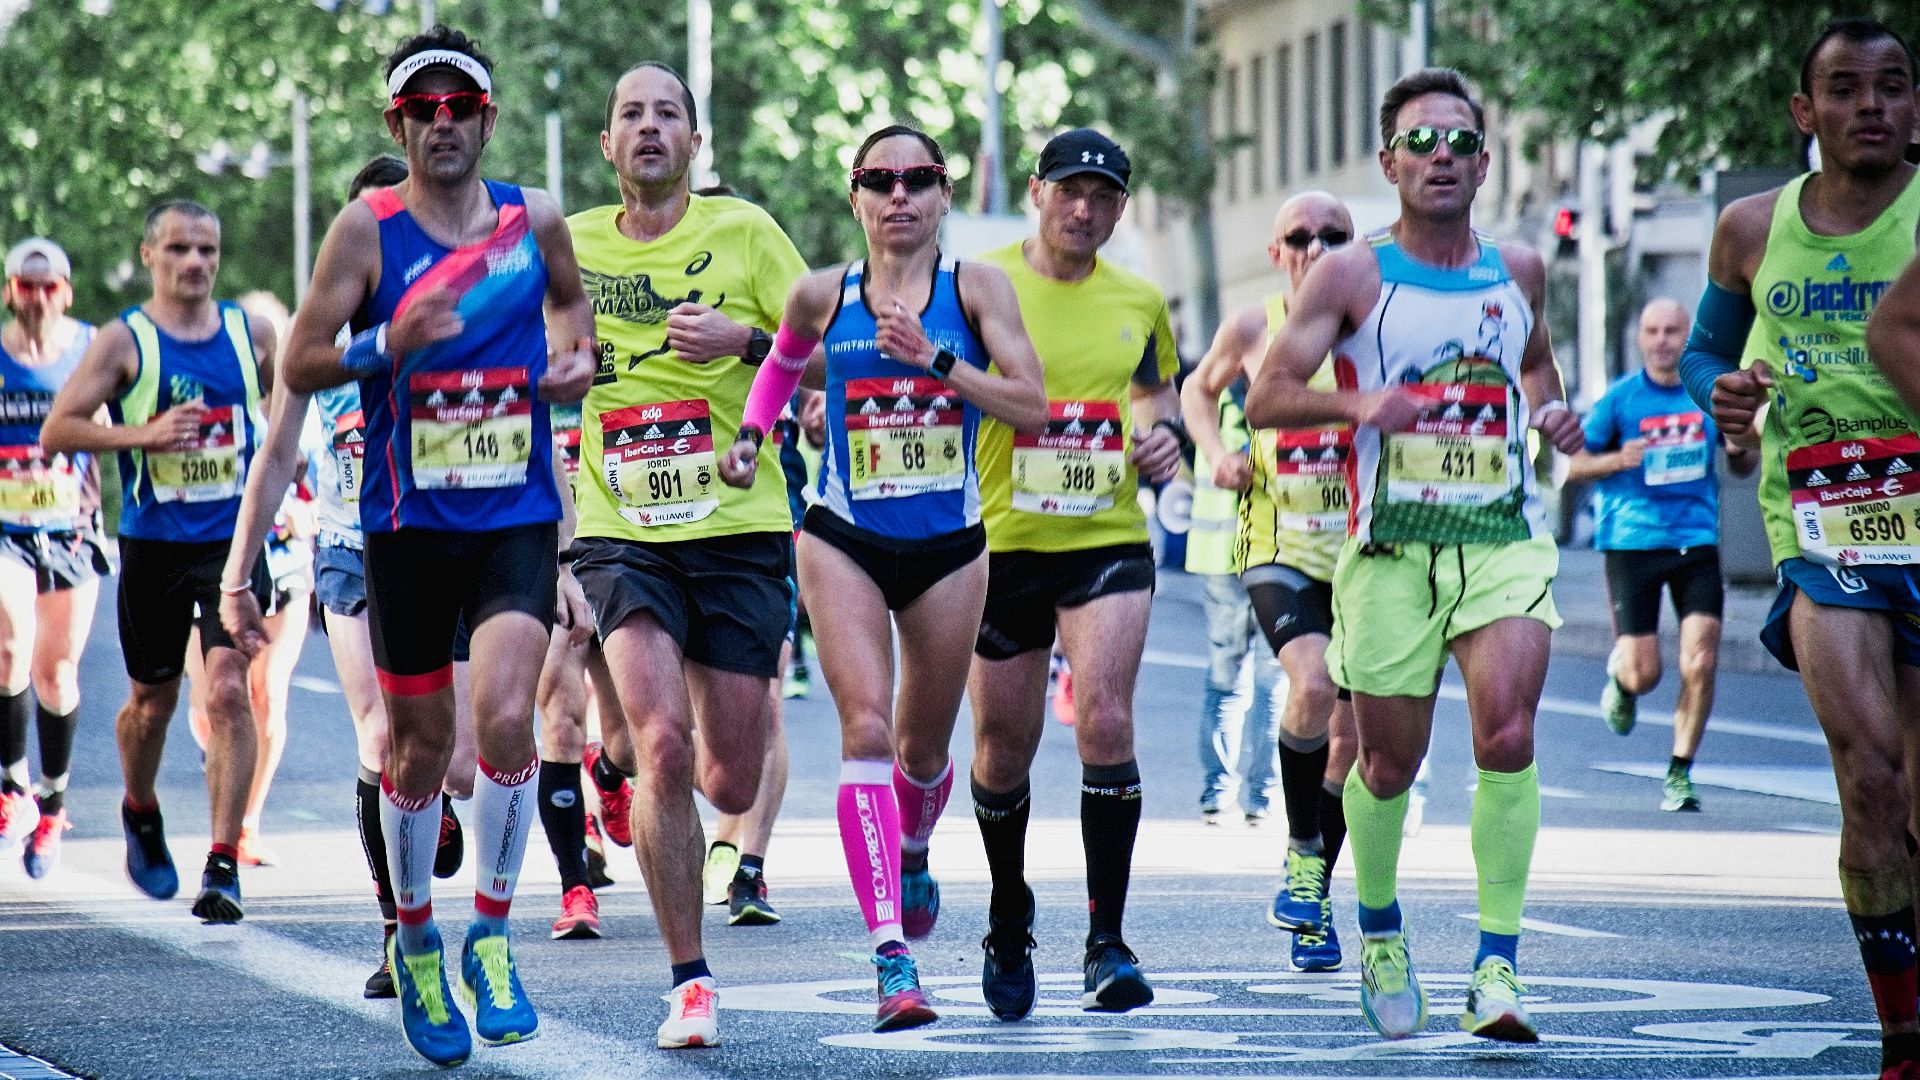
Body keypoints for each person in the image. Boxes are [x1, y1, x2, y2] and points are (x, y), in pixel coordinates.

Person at [277, 26, 596, 1066]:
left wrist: (575, 363)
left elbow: (572, 312)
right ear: (399, 125)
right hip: (407, 526)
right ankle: (416, 935)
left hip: (514, 512)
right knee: (416, 751)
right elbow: (303, 359)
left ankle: (491, 936)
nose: (445, 123)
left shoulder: (532, 219)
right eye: (426, 109)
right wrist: (386, 344)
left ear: (488, 120)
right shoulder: (365, 233)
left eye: (462, 106)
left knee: (507, 719)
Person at [1246, 69, 1586, 1043]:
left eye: (1460, 143)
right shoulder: (1352, 273)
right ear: (1388, 161)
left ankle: (1497, 967)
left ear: (1486, 160)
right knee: (1388, 763)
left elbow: (1533, 366)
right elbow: (1271, 395)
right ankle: (1382, 930)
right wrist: (1360, 406)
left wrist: (1551, 409)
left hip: (1501, 540)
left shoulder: (1519, 269)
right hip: (1392, 548)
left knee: (1508, 736)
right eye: (1421, 142)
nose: (1442, 157)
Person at [724, 122, 1047, 1033]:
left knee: (923, 753)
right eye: (880, 180)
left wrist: (937, 360)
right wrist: (753, 437)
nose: (899, 196)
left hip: (949, 544)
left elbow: (1032, 405)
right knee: (862, 727)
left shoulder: (977, 289)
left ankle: (910, 843)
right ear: (856, 197)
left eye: (918, 180)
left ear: (944, 194)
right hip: (843, 534)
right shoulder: (821, 293)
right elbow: (785, 362)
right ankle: (889, 956)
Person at [1679, 19, 1920, 1080]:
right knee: (1870, 776)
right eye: (1845, 86)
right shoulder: (1748, 226)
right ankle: (1902, 1036)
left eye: (1894, 86)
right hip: (1820, 523)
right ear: (1803, 112)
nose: (1871, 104)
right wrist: (1719, 393)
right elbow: (1701, 353)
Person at [562, 61, 809, 1048]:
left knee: (731, 783)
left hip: (741, 527)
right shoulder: (567, 246)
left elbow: (834, 354)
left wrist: (748, 342)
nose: (651, 127)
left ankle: (620, 769)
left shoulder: (746, 232)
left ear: (696, 143)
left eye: (670, 113)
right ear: (608, 144)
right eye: (632, 114)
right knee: (661, 741)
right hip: (622, 532)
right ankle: (689, 981)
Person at [963, 129, 1183, 1021]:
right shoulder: (979, 284)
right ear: (1037, 193)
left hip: (1107, 535)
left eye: (1103, 195)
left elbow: (1155, 394)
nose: (1084, 208)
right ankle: (1010, 914)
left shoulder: (1140, 297)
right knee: (1002, 747)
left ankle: (1108, 941)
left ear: (1121, 208)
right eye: (1069, 191)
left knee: (1104, 716)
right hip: (1002, 539)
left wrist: (1165, 438)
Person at [42, 200, 277, 925]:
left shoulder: (253, 334)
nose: (196, 263)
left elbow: (290, 416)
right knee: (153, 707)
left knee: (232, 688)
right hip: (154, 544)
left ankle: (223, 861)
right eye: (178, 249)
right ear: (151, 256)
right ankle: (139, 809)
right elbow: (59, 430)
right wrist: (143, 434)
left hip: (232, 542)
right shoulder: (125, 341)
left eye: (207, 249)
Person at [1183, 191, 1360, 974]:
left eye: (1335, 235)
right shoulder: (1254, 326)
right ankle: (1297, 846)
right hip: (1277, 546)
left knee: (1353, 742)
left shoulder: (1377, 322)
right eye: (1300, 236)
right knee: (1311, 685)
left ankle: (1313, 890)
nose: (1316, 247)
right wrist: (1212, 453)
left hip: (1364, 551)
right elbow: (1196, 387)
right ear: (1275, 250)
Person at [1567, 297, 1755, 812]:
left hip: (1696, 541)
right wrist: (1615, 459)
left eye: (1673, 330)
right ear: (1641, 339)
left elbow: (1740, 465)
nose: (1663, 340)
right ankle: (1622, 680)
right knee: (1644, 672)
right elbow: (1573, 467)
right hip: (1632, 542)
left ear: (1687, 334)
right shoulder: (1621, 400)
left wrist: (1742, 450)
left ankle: (1679, 771)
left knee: (1701, 658)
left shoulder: (1707, 397)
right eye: (1652, 330)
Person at [0, 238, 108, 879]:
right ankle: (12, 787)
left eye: (48, 286)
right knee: (10, 644)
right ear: (11, 290)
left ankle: (53, 803)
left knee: (57, 673)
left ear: (65, 292)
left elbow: (134, 413)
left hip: (70, 530)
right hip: (6, 528)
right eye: (24, 285)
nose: (36, 297)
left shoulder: (92, 349)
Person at [1181, 386, 1279, 827]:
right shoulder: (1285, 389)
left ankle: (1216, 792)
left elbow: (1187, 466)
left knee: (1225, 676)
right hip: (1269, 550)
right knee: (1272, 680)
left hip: (1218, 550)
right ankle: (1261, 798)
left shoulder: (1211, 396)